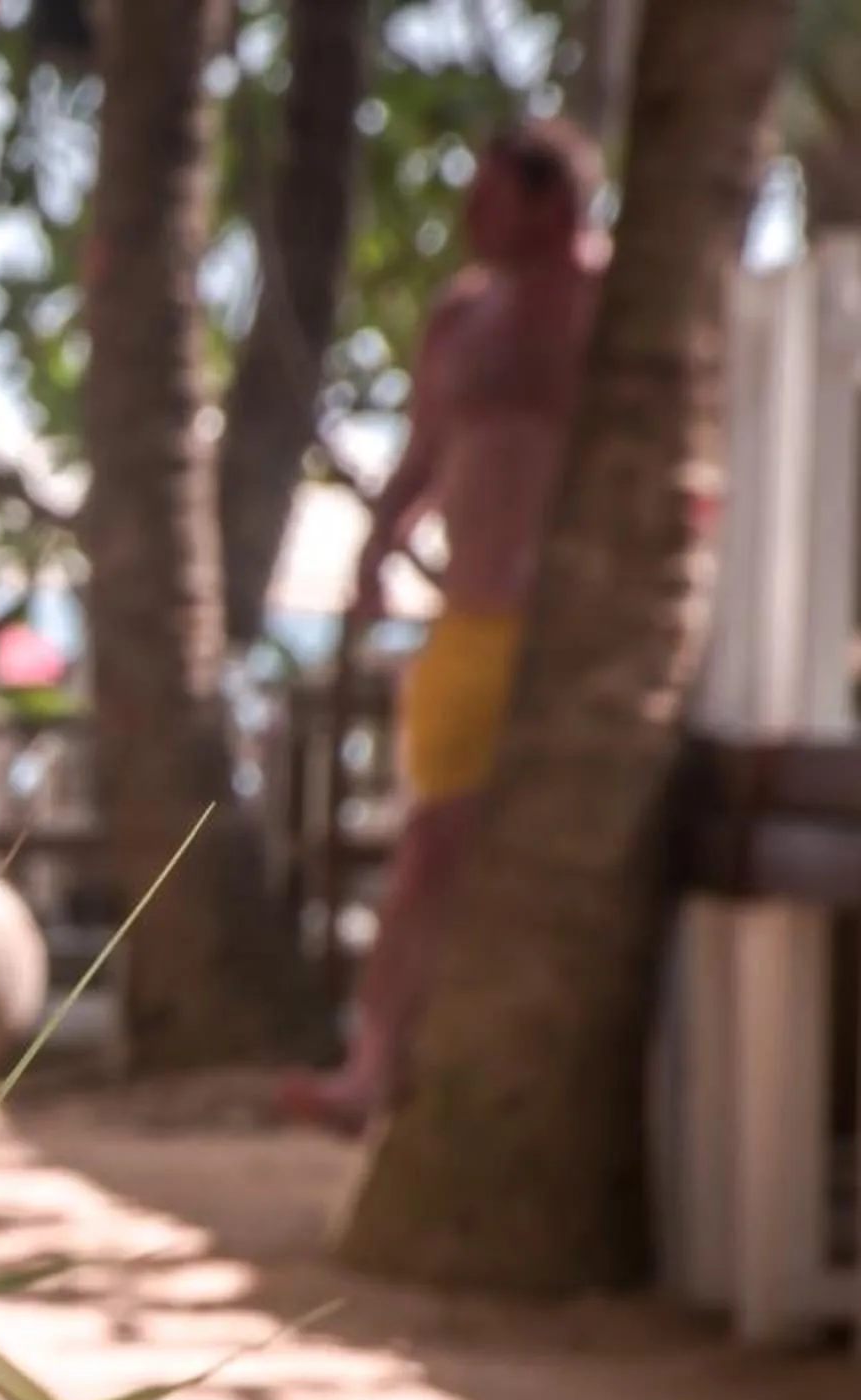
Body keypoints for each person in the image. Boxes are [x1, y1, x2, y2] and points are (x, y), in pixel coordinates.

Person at [280, 118, 606, 1136]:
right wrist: (375, 554)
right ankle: (379, 1068)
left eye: (491, 193)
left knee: (459, 850)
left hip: (570, 642)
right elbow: (422, 453)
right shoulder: (462, 316)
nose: (469, 215)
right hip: (464, 624)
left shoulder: (612, 305)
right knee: (429, 845)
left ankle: (392, 1075)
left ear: (555, 202)